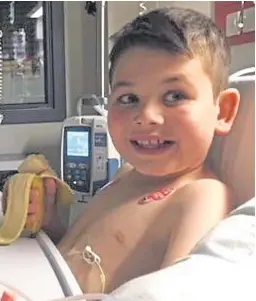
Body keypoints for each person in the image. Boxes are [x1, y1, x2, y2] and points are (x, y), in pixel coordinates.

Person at [6, 7, 240, 294]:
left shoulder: (201, 196)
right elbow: (79, 258)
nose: (147, 116)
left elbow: (177, 293)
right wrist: (50, 223)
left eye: (175, 96)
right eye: (129, 98)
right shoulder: (127, 174)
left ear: (223, 111)